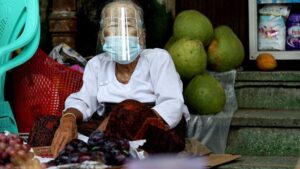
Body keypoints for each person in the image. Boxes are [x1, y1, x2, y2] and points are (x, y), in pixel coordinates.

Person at [50, 0, 190, 157]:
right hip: (106, 129)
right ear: (103, 38)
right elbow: (82, 101)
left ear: (142, 36)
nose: (120, 32)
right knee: (48, 126)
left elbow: (173, 104)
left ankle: (105, 146)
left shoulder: (158, 59)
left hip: (155, 129)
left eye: (128, 25)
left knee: (126, 110)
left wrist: (122, 117)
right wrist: (68, 119)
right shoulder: (96, 65)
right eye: (113, 25)